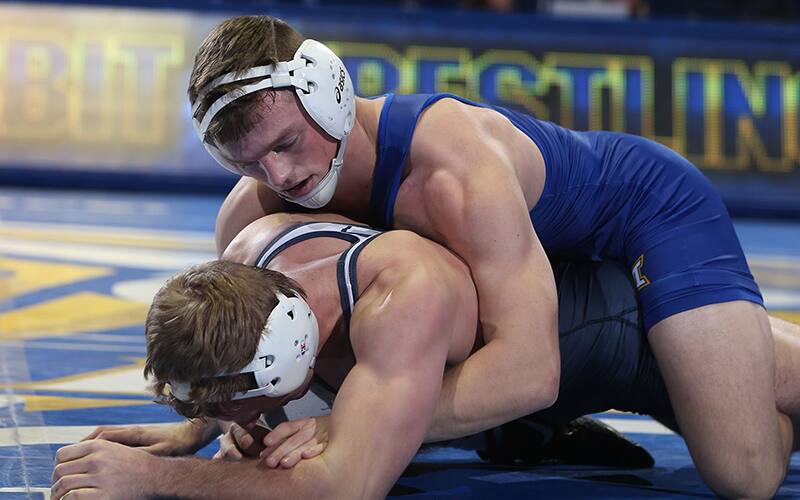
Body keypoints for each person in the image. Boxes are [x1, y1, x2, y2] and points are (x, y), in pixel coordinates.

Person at [189, 15, 790, 497]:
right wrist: (221, 421)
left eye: (287, 142)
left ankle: (718, 336)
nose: (279, 175)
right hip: (536, 262)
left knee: (744, 474)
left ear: (331, 93)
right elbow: (274, 352)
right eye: (246, 162)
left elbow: (531, 371)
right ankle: (697, 349)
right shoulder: (250, 217)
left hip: (649, 214)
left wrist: (348, 427)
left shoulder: (450, 171)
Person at [51, 212, 800, 499]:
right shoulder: (250, 247)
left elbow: (346, 488)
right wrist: (190, 434)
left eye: (224, 404)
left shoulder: (396, 300)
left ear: (285, 369)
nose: (227, 420)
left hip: (624, 328)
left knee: (748, 469)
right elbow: (242, 366)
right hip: (539, 363)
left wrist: (154, 479)